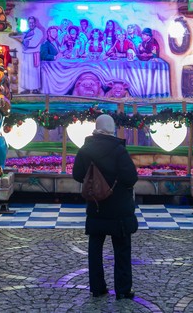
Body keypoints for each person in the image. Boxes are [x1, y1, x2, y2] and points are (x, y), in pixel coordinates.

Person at [72, 114, 138, 300]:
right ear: (112, 128)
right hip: (119, 208)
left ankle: (97, 288)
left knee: (95, 249)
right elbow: (131, 177)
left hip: (96, 206)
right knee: (122, 250)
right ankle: (123, 290)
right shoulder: (119, 150)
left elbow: (77, 174)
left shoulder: (85, 149)